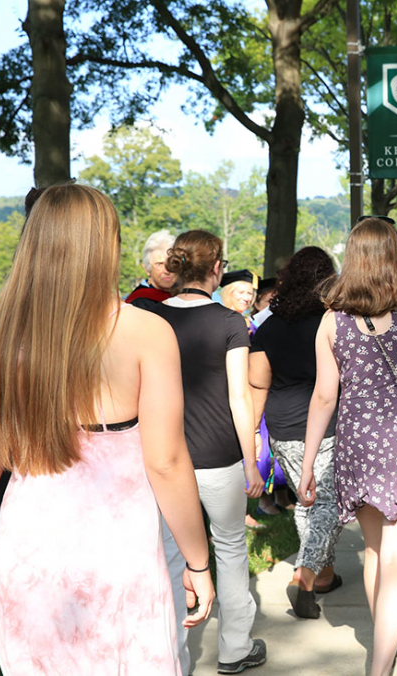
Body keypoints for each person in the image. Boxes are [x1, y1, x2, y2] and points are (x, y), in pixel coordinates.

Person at [0, 185, 214, 673]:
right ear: (107, 245)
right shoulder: (145, 332)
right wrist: (199, 562)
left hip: (24, 563)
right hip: (116, 563)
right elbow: (165, 461)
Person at [297, 218, 397, 676]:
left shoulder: (332, 320)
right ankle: (381, 664)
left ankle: (383, 639)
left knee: (376, 551)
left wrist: (307, 464)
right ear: (396, 254)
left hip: (357, 444)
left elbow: (325, 394)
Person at [150, 230, 267, 675]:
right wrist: (251, 458)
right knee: (231, 549)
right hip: (220, 455)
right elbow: (240, 398)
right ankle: (235, 649)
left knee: (170, 554)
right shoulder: (229, 322)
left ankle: (171, 651)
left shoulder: (151, 317)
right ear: (217, 268)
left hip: (164, 456)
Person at [249, 247, 344, 620]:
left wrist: (255, 434)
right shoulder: (333, 322)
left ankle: (325, 574)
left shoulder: (269, 327)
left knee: (307, 502)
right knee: (328, 504)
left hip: (283, 424)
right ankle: (305, 574)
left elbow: (258, 384)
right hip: (325, 423)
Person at [125, 229, 177, 309]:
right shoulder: (139, 303)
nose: (167, 270)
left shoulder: (186, 295)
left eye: (172, 263)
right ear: (147, 269)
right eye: (159, 264)